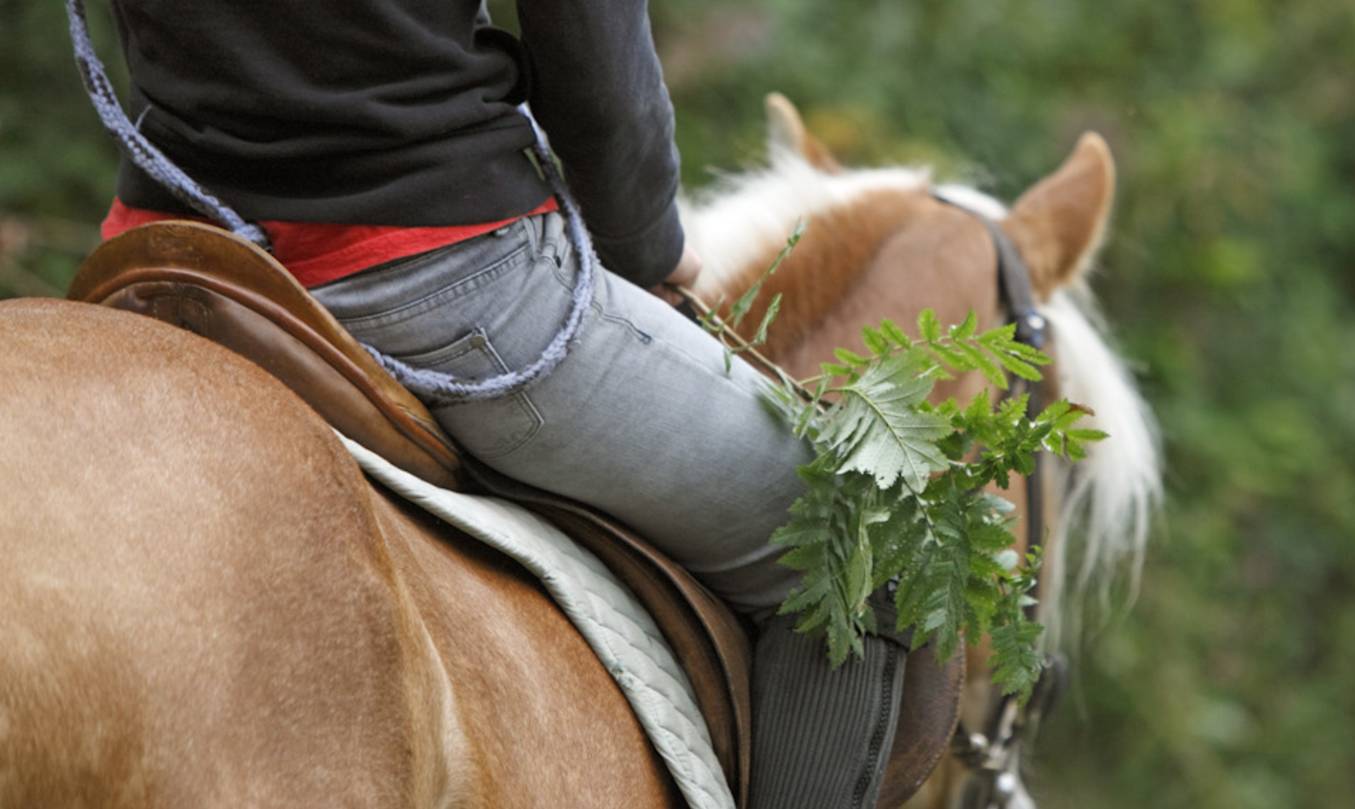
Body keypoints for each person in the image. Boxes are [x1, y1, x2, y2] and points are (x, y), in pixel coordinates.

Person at [87, 0, 908, 806]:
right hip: (439, 276)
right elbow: (598, 76)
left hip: (169, 256)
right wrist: (647, 242)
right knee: (857, 537)